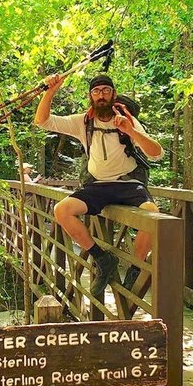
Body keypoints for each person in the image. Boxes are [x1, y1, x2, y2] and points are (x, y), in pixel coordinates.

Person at [34, 73, 164, 297]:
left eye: (106, 90)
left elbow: (156, 153)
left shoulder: (127, 119)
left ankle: (135, 268)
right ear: (90, 96)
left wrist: (130, 131)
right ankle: (103, 259)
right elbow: (42, 121)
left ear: (113, 94)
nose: (101, 95)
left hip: (128, 183)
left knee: (153, 217)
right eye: (96, 91)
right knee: (61, 210)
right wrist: (51, 91)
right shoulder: (83, 122)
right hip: (98, 186)